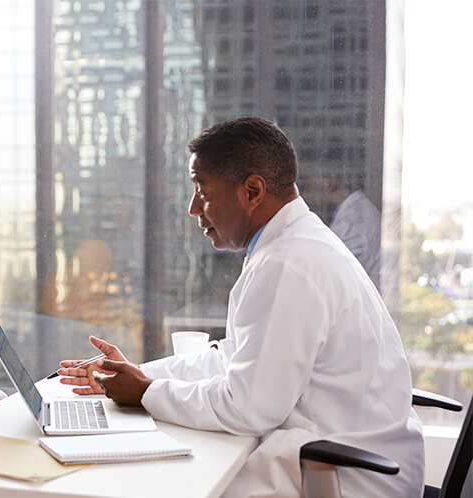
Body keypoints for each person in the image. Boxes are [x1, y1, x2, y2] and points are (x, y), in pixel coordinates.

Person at [58, 117, 424, 497]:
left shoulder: (289, 263)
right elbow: (233, 360)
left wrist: (147, 392)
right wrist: (135, 375)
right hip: (346, 457)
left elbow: (249, 408)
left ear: (252, 191)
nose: (193, 208)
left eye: (202, 189)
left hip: (344, 477)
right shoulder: (294, 245)